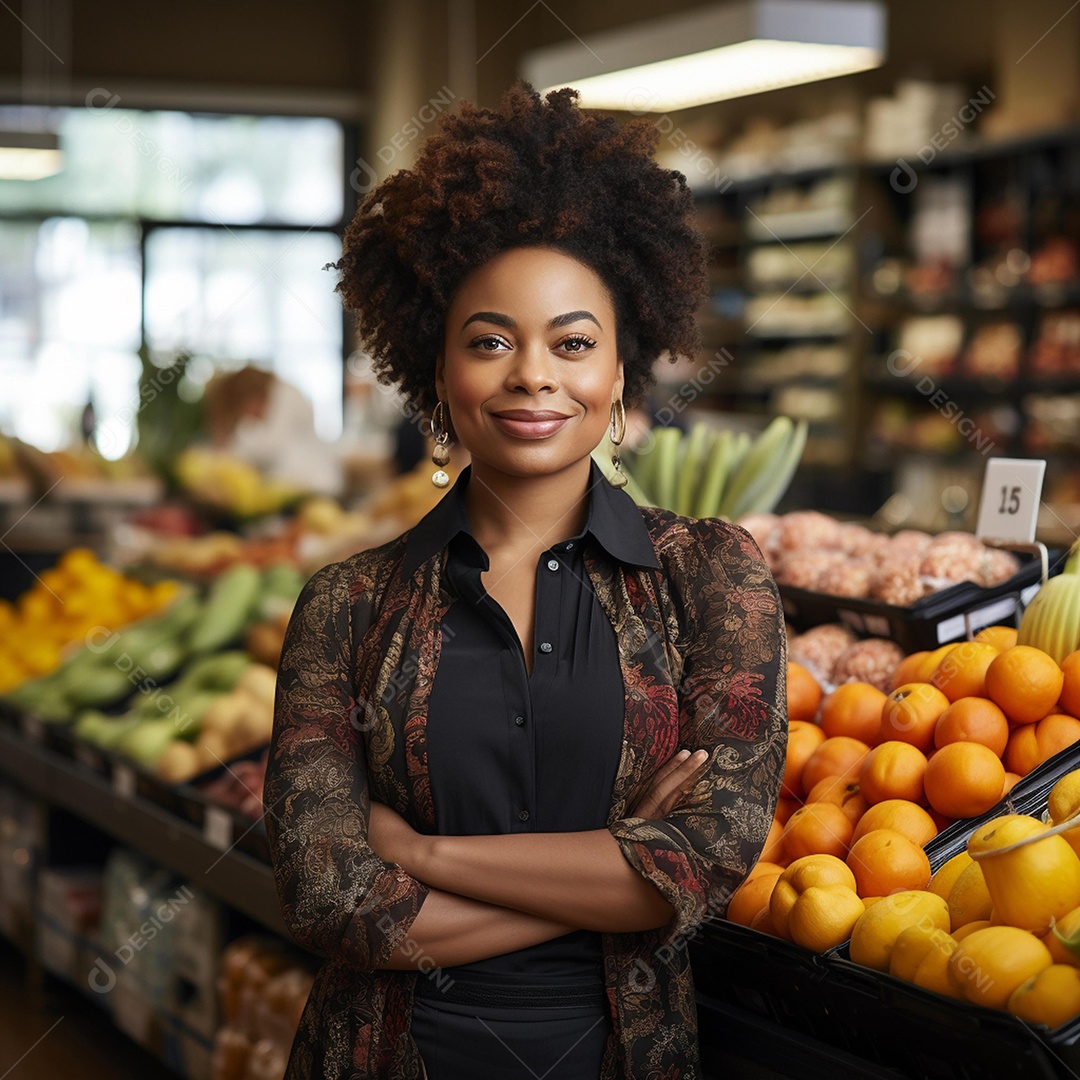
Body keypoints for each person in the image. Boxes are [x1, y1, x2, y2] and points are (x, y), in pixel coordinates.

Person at [263, 80, 787, 1080]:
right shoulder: (348, 604)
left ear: (621, 373)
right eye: (491, 341)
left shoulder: (710, 578)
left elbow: (703, 864)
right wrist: (615, 861)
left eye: (573, 343)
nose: (533, 375)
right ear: (438, 371)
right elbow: (331, 899)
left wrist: (422, 855)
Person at [203, 364, 344, 496]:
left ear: (249, 397)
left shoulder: (284, 394)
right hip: (301, 484)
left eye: (242, 410)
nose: (248, 417)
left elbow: (271, 448)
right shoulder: (277, 395)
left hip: (315, 485)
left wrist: (226, 458)